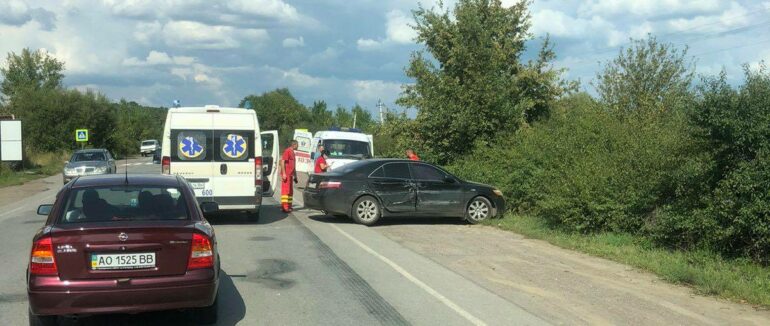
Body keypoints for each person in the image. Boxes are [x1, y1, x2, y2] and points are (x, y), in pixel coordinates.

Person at [279, 140, 299, 213]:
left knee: (290, 191)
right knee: (285, 191)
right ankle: (284, 207)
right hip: (286, 174)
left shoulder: (293, 152)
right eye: (297, 145)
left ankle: (289, 206)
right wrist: (284, 173)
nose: (298, 146)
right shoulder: (287, 151)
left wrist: (295, 176)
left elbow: (293, 166)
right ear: (294, 145)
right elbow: (282, 161)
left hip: (290, 175)